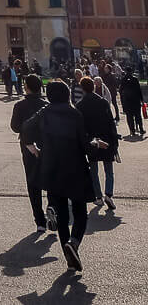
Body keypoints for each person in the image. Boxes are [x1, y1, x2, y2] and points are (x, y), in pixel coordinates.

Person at [23, 80, 95, 272]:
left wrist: (33, 147)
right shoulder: (75, 114)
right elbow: (85, 145)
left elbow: (26, 127)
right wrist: (95, 144)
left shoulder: (45, 112)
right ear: (67, 94)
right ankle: (74, 242)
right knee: (80, 212)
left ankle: (69, 256)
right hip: (76, 168)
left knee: (62, 215)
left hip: (52, 168)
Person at [11, 74, 48, 230]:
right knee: (50, 178)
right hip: (46, 146)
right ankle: (52, 208)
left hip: (27, 146)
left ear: (26, 87)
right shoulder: (46, 105)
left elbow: (14, 126)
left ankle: (39, 220)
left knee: (32, 182)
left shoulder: (20, 106)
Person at [78, 76, 119, 210]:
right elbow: (110, 123)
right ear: (94, 87)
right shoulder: (103, 102)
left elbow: (81, 128)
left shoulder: (80, 106)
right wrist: (115, 142)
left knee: (93, 171)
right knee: (109, 170)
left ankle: (98, 196)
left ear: (82, 89)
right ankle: (109, 194)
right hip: (106, 139)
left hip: (92, 141)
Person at [119, 68, 144, 137]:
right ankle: (141, 129)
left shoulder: (123, 80)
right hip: (136, 101)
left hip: (127, 102)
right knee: (138, 116)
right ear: (131, 72)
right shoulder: (135, 79)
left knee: (129, 117)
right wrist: (141, 100)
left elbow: (120, 91)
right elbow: (139, 90)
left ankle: (132, 131)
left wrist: (122, 102)